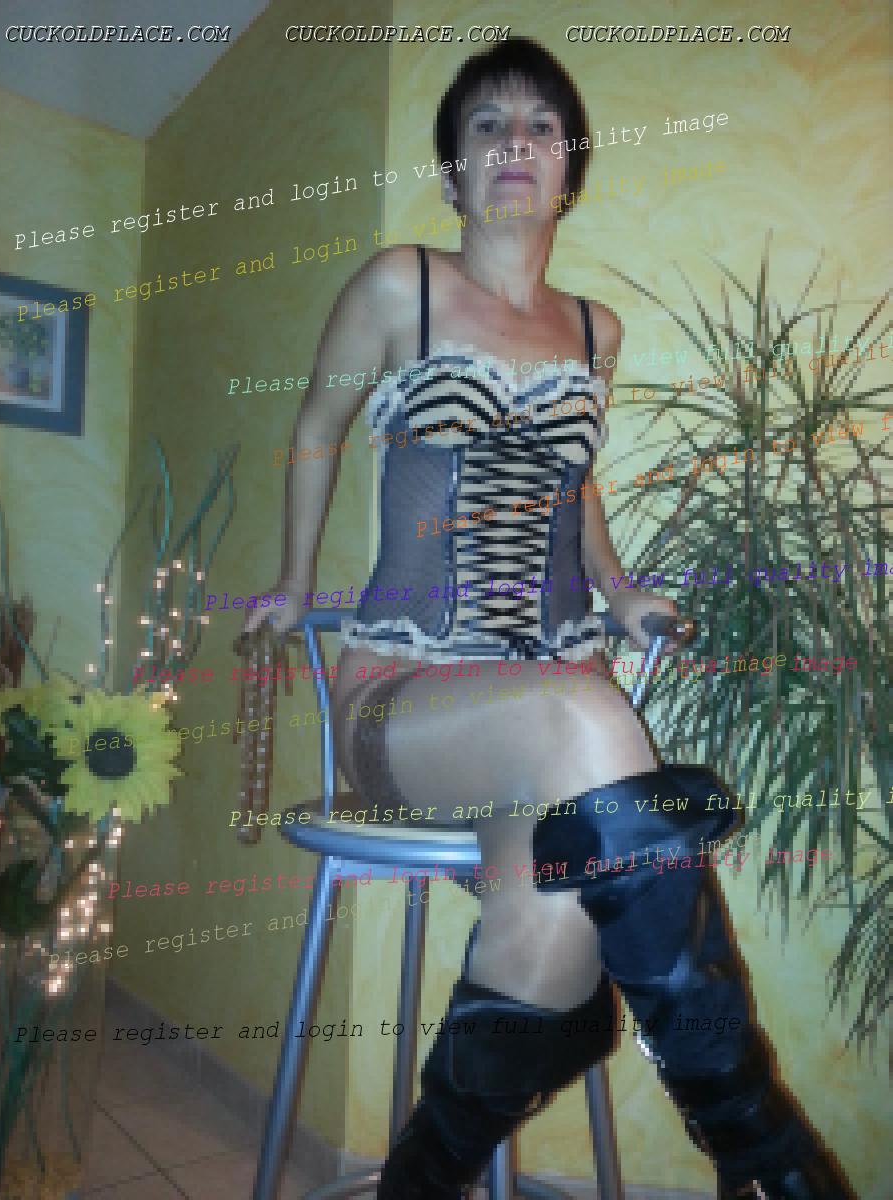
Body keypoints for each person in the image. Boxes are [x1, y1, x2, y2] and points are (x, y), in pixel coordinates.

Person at [246, 36, 852, 1200]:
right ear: (453, 172)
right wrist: (292, 577)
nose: (515, 141)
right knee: (590, 725)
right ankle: (758, 1140)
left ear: (569, 170)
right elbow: (318, 423)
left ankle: (423, 1176)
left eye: (539, 126)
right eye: (487, 125)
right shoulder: (402, 284)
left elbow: (575, 485)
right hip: (406, 702)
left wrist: (616, 588)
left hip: (552, 725)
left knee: (559, 912)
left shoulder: (594, 332)